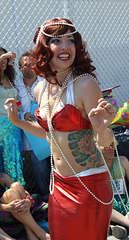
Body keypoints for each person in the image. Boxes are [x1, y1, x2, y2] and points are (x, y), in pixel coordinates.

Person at [5, 18, 116, 240]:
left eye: (70, 40)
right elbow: (50, 134)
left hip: (89, 182)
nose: (65, 46)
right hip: (59, 184)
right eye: (56, 40)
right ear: (44, 47)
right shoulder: (40, 88)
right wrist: (17, 121)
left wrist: (102, 129)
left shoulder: (85, 84)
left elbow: (106, 144)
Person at [15, 51, 51, 201]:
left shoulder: (45, 82)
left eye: (33, 64)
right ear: (20, 68)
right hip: (32, 134)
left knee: (57, 163)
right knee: (40, 168)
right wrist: (22, 115)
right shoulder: (15, 86)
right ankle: (46, 199)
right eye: (26, 64)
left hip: (49, 128)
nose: (31, 67)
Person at [0, 47, 25, 185]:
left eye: (6, 58)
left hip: (14, 124)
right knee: (5, 161)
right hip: (1, 125)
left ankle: (20, 191)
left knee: (15, 158)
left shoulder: (9, 78)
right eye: (1, 58)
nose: (4, 60)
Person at [0, 172, 50, 240]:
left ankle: (28, 230)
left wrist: (28, 201)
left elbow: (25, 193)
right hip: (4, 218)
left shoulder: (3, 177)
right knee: (10, 194)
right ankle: (41, 234)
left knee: (16, 185)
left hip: (18, 211)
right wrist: (7, 207)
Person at [101, 142, 129, 239]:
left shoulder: (123, 160)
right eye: (106, 146)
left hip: (125, 201)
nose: (110, 148)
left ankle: (116, 228)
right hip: (108, 203)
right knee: (104, 207)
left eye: (112, 146)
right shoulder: (96, 167)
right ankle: (126, 224)